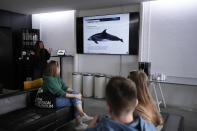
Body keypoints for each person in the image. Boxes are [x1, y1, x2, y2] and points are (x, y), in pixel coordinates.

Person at [86, 77, 156, 131]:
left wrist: (92, 124)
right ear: (136, 103)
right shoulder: (150, 127)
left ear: (108, 106)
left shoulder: (99, 128)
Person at [42, 60, 93, 130]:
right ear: (55, 68)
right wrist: (76, 96)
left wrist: (75, 92)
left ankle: (81, 117)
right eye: (59, 67)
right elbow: (61, 93)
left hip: (57, 98)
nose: (60, 69)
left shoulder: (56, 77)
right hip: (51, 101)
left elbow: (64, 87)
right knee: (75, 100)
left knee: (76, 98)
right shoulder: (49, 80)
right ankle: (80, 120)